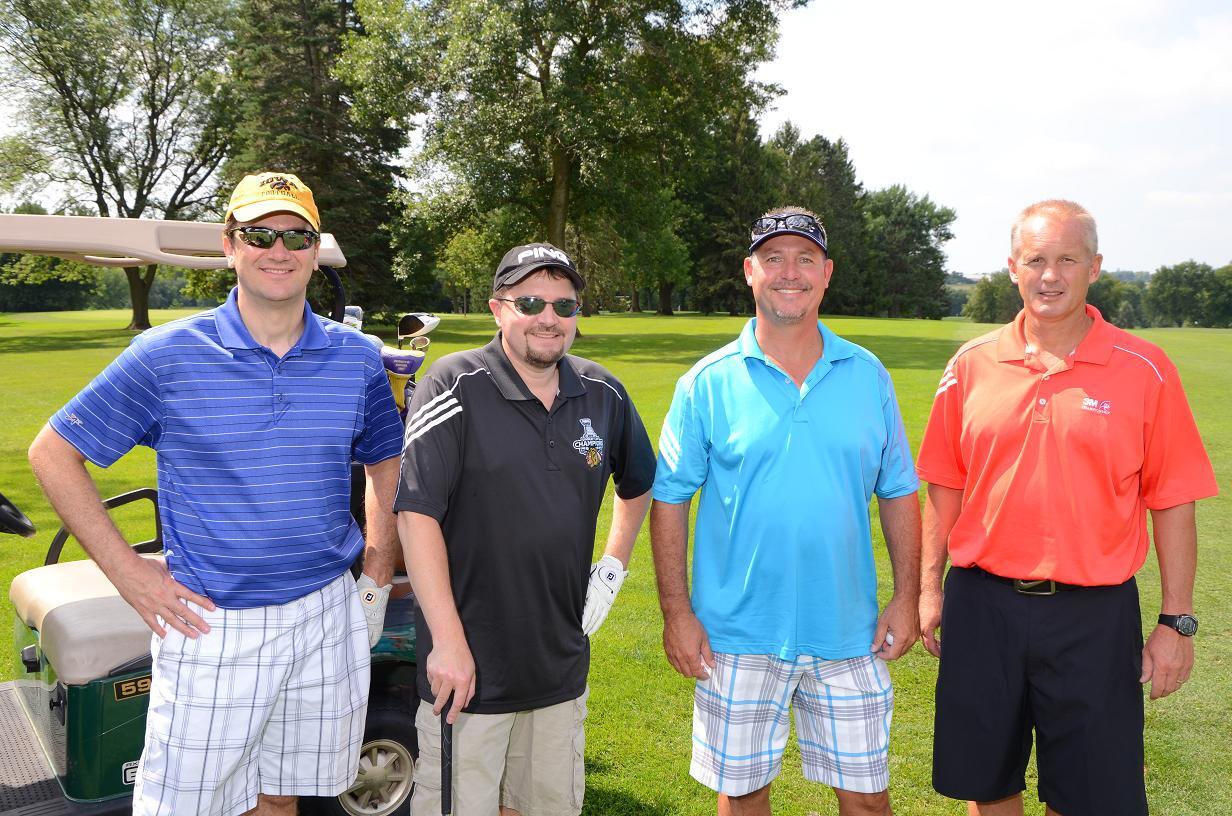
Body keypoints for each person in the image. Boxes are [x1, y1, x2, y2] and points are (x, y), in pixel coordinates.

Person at [27, 172, 404, 816]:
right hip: (216, 624)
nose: (277, 249)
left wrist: (375, 569)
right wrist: (132, 577)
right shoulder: (168, 354)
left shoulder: (356, 357)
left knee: (282, 797)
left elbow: (383, 459)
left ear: (314, 249)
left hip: (325, 613)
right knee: (184, 806)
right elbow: (54, 453)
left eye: (295, 235)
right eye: (259, 233)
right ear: (230, 246)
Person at [916, 199, 1219, 816]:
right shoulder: (969, 366)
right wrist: (928, 590)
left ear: (1095, 267)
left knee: (1089, 796)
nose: (1049, 275)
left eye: (1067, 259)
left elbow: (1173, 500)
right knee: (988, 784)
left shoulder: (1145, 369)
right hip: (984, 604)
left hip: (1093, 614)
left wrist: (1176, 621)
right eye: (1036, 260)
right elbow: (944, 486)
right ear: (1012, 268)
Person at [650, 207, 922, 816]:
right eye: (773, 258)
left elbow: (899, 488)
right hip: (736, 635)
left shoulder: (867, 374)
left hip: (849, 633)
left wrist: (906, 597)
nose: (788, 273)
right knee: (743, 800)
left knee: (868, 803)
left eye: (804, 259)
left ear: (826, 274)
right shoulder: (707, 382)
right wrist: (677, 611)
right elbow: (670, 499)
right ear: (750, 272)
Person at [394, 241, 656, 816]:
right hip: (467, 672)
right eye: (531, 301)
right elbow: (415, 516)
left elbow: (639, 484)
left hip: (559, 664)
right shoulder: (453, 385)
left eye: (565, 306)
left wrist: (612, 566)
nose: (550, 318)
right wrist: (448, 643)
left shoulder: (602, 391)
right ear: (497, 308)